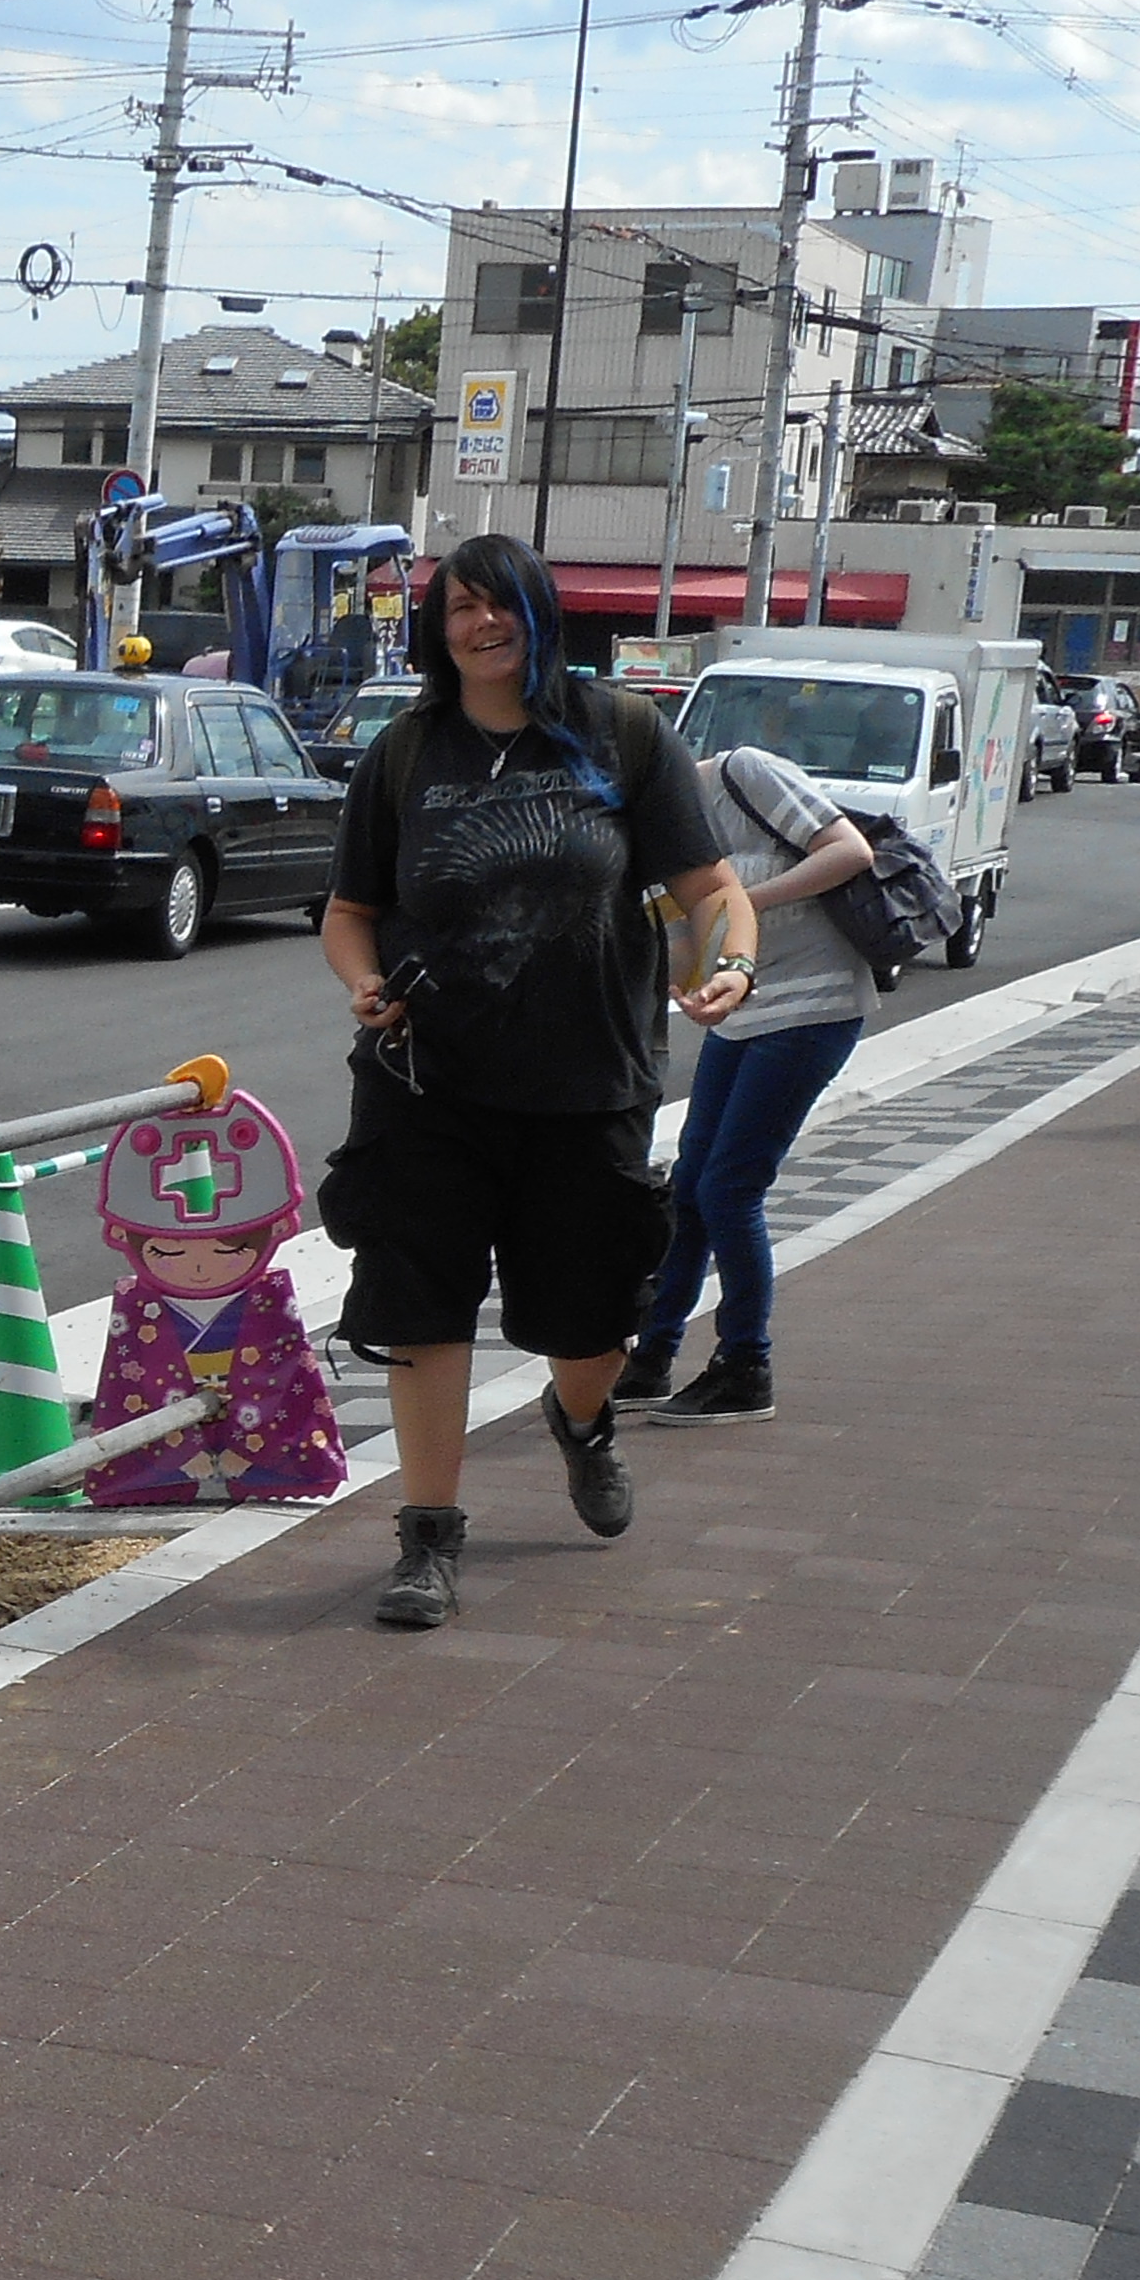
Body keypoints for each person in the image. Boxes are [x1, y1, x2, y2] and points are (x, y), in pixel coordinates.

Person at [316, 530, 755, 1630]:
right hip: (426, 1083)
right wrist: (363, 983)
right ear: (439, 629)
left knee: (589, 1321)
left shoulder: (622, 733)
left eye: (499, 602)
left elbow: (711, 888)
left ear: (540, 612)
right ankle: (427, 1539)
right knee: (421, 1310)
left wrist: (732, 964)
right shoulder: (406, 751)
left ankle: (583, 1421)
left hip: (588, 1082)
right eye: (459, 607)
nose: (481, 624)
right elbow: (350, 912)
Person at [620, 733, 879, 1424]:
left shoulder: (742, 776)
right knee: (690, 1185)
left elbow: (850, 852)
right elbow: (683, 948)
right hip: (743, 1016)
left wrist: (739, 904)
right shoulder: (653, 841)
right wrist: (685, 980)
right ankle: (651, 1358)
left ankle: (745, 1366)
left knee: (730, 1188)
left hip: (816, 1005)